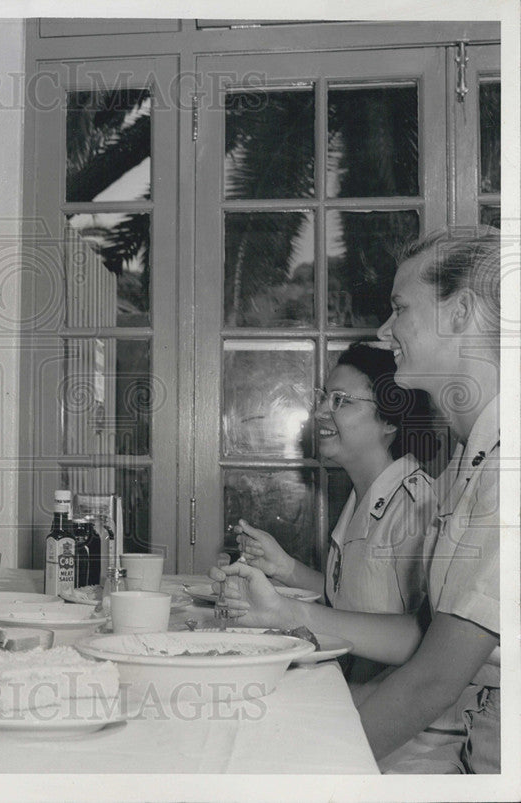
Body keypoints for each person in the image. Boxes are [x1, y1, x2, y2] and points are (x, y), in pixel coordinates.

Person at [211, 227, 501, 773]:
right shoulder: (471, 459)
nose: (384, 328)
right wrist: (286, 609)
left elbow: (433, 680)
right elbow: (427, 633)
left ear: (459, 313)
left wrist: (305, 773)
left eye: (400, 309)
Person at [234, 342, 436, 682]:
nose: (320, 412)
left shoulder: (417, 507)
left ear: (389, 419)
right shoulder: (365, 497)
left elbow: (424, 638)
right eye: (324, 397)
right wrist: (284, 567)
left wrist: (286, 611)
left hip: (404, 718)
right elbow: (355, 603)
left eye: (340, 401)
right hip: (356, 687)